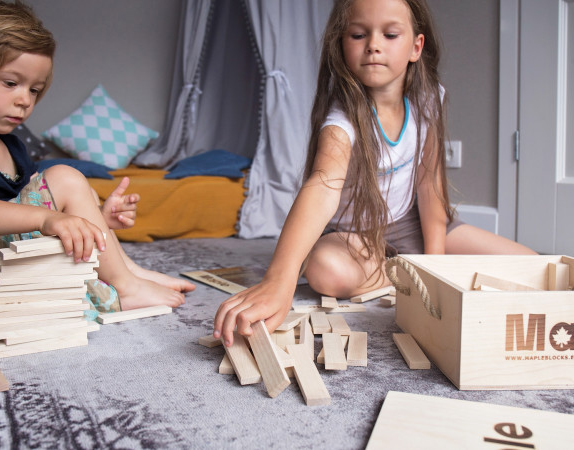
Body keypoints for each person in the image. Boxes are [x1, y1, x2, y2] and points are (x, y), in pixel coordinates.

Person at [214, 0, 535, 344]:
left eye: (391, 34)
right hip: (353, 236)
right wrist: (279, 279)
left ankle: (413, 269)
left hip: (410, 222)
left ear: (416, 46)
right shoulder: (341, 120)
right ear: (341, 44)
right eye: (358, 34)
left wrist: (436, 265)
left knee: (529, 264)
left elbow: (430, 187)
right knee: (325, 271)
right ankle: (407, 272)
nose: (374, 45)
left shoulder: (429, 99)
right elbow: (322, 186)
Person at [0, 0, 194, 313]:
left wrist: (95, 217)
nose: (25, 100)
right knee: (64, 178)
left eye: (34, 90)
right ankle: (125, 287)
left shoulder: (12, 145)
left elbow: (30, 207)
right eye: (11, 83)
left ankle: (130, 272)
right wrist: (49, 217)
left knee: (74, 189)